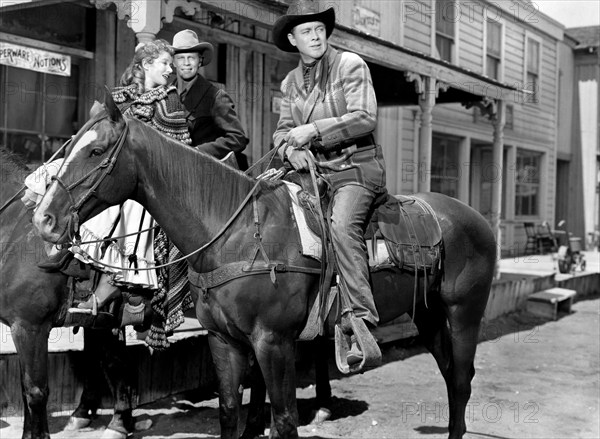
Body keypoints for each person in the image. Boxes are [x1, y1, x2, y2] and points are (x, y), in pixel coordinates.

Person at [26, 39, 194, 348]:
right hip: (105, 169)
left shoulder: (170, 102)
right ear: (145, 66)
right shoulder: (117, 98)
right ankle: (51, 242)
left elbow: (178, 152)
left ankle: (121, 285)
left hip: (146, 181)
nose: (171, 70)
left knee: (124, 208)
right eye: (165, 64)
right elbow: (91, 138)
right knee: (56, 174)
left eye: (171, 65)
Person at [272, 0, 386, 366]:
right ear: (293, 38)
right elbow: (282, 132)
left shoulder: (350, 64)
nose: (316, 35)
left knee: (340, 225)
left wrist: (314, 131)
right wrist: (291, 152)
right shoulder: (290, 83)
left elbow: (364, 117)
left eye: (320, 28)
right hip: (314, 173)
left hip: (355, 170)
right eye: (307, 31)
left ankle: (359, 319)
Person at [171, 29, 249, 169]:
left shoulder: (215, 96)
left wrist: (199, 152)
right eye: (181, 58)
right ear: (173, 62)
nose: (186, 63)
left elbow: (237, 138)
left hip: (205, 173)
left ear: (200, 61)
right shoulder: (166, 94)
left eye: (192, 58)